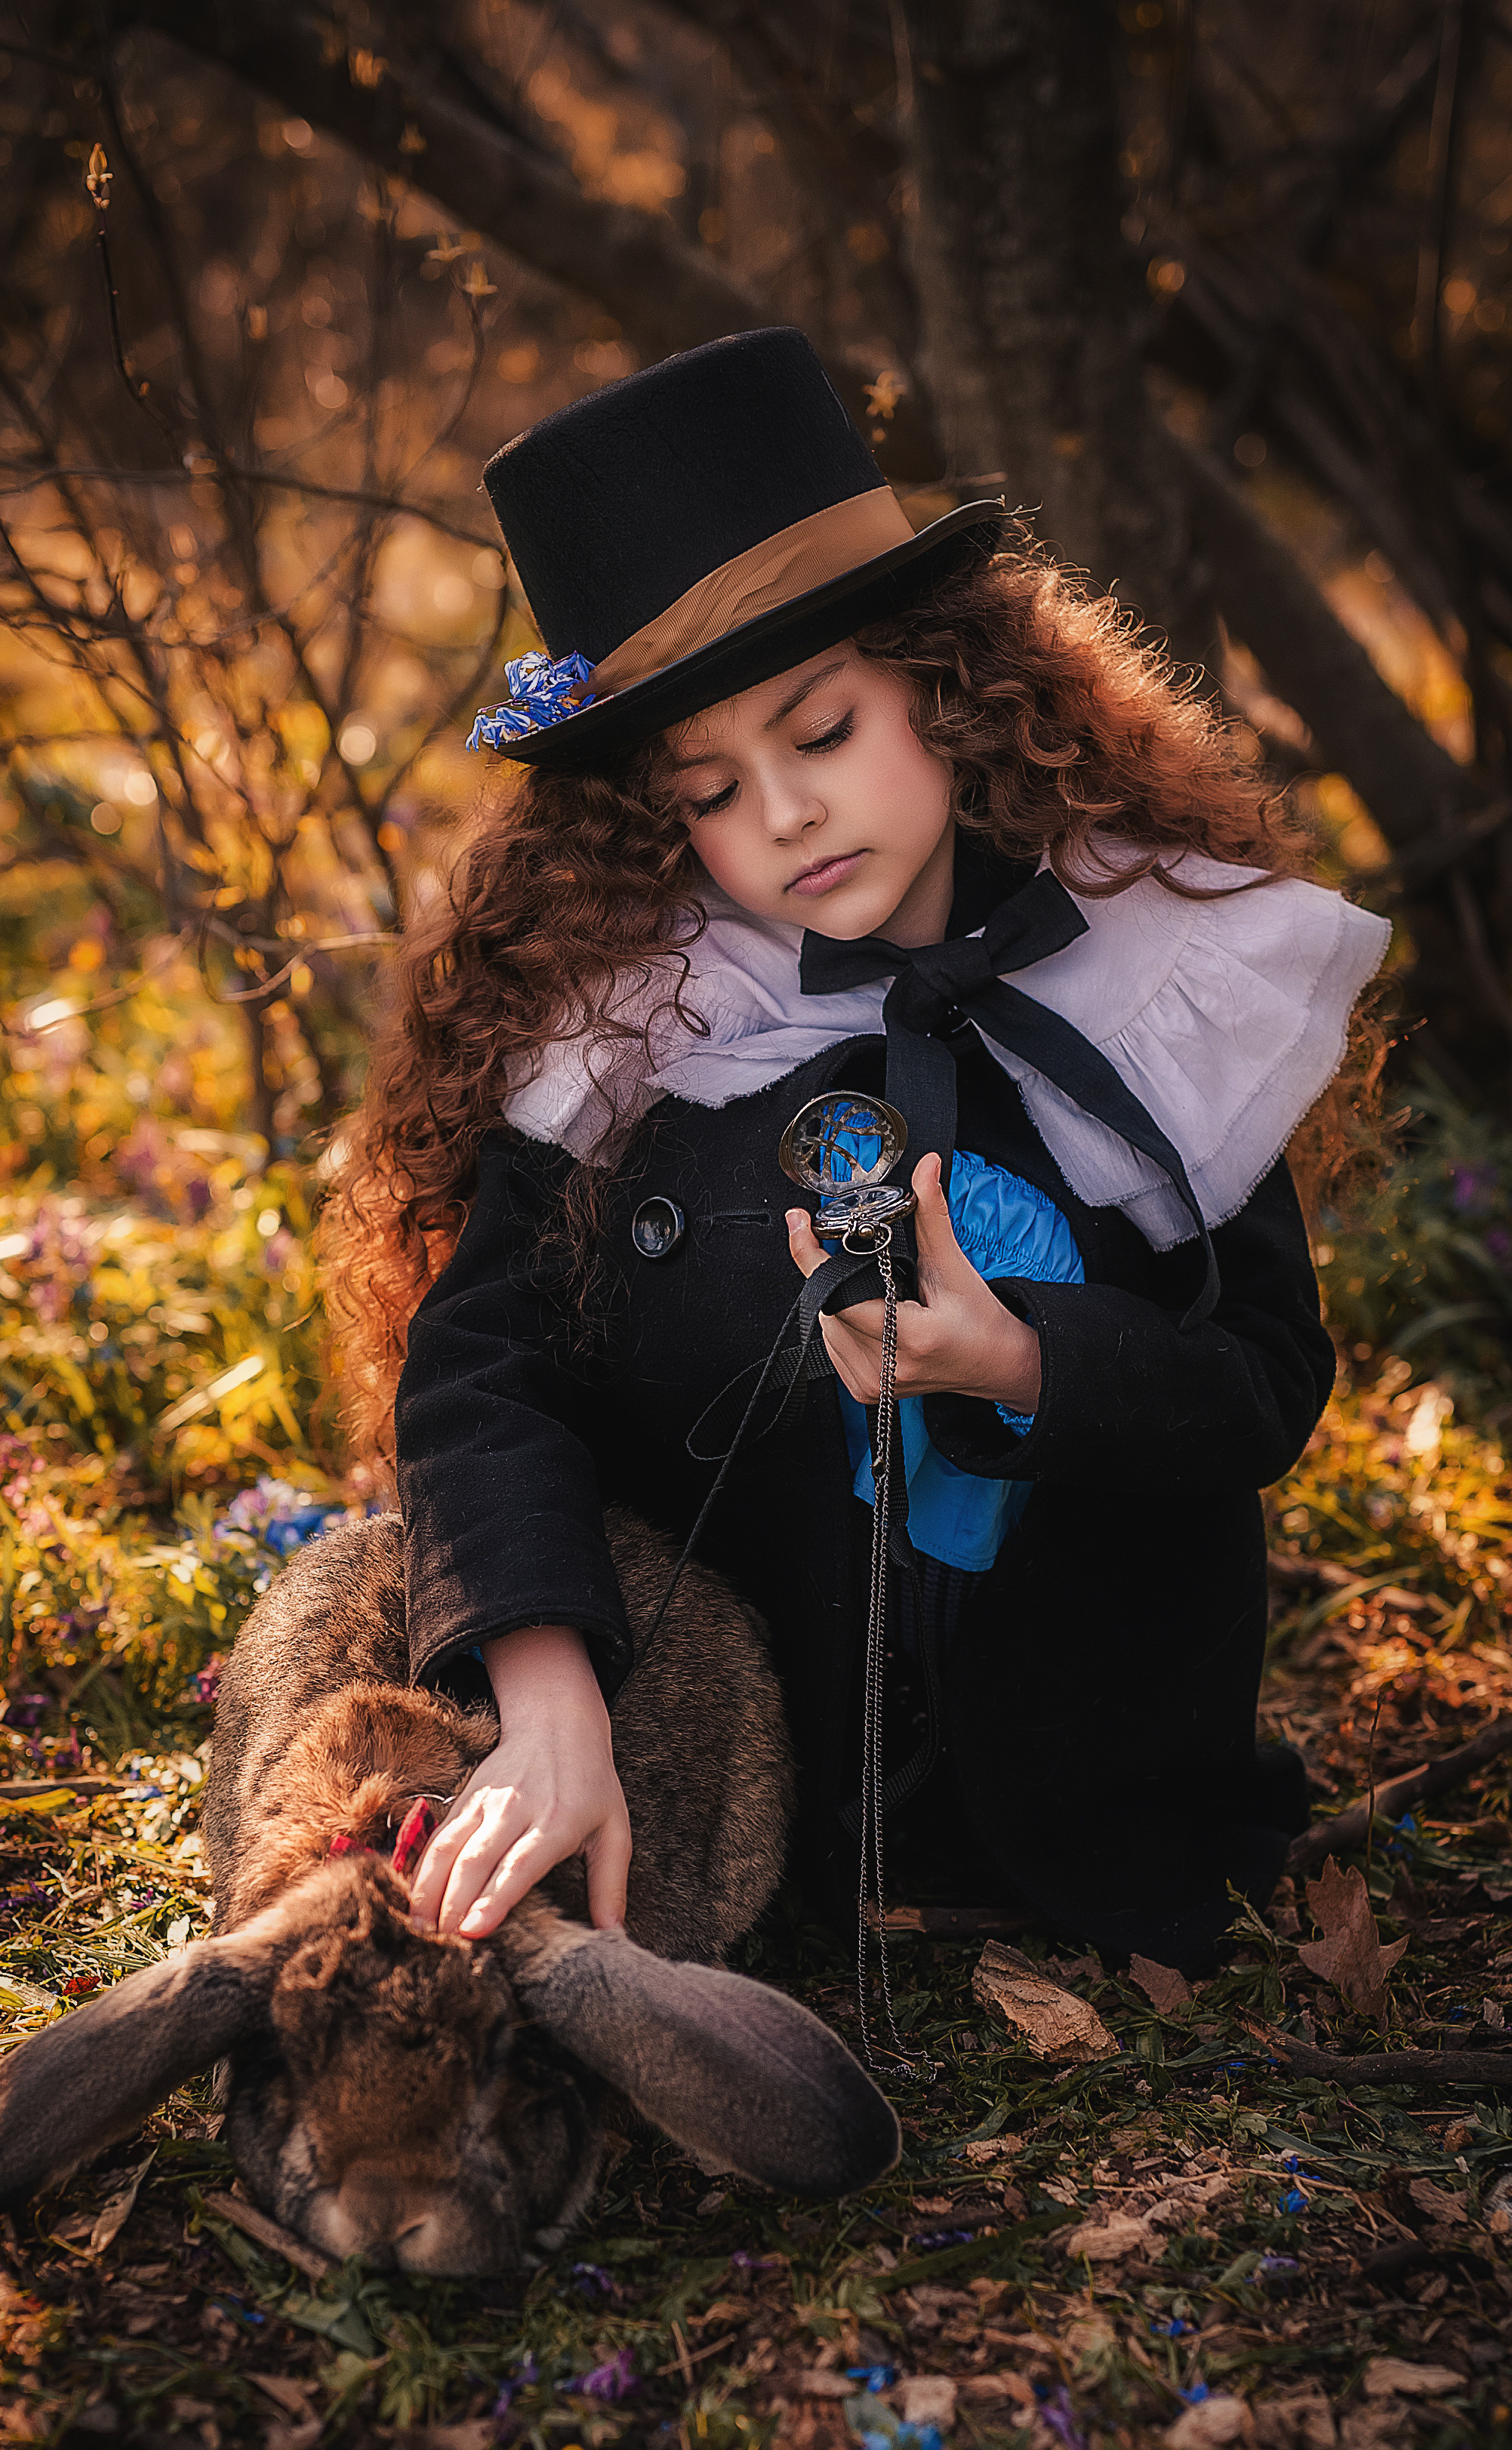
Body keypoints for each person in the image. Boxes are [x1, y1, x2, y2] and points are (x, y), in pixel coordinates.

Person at [323, 328, 1388, 1980]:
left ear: (949, 688)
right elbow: (481, 1380)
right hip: (730, 1825)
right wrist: (548, 1702)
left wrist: (1031, 1359)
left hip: (1116, 1824)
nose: (785, 819)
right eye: (710, 789)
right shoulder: (629, 1031)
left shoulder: (1159, 968)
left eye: (822, 733)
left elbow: (1261, 1376)